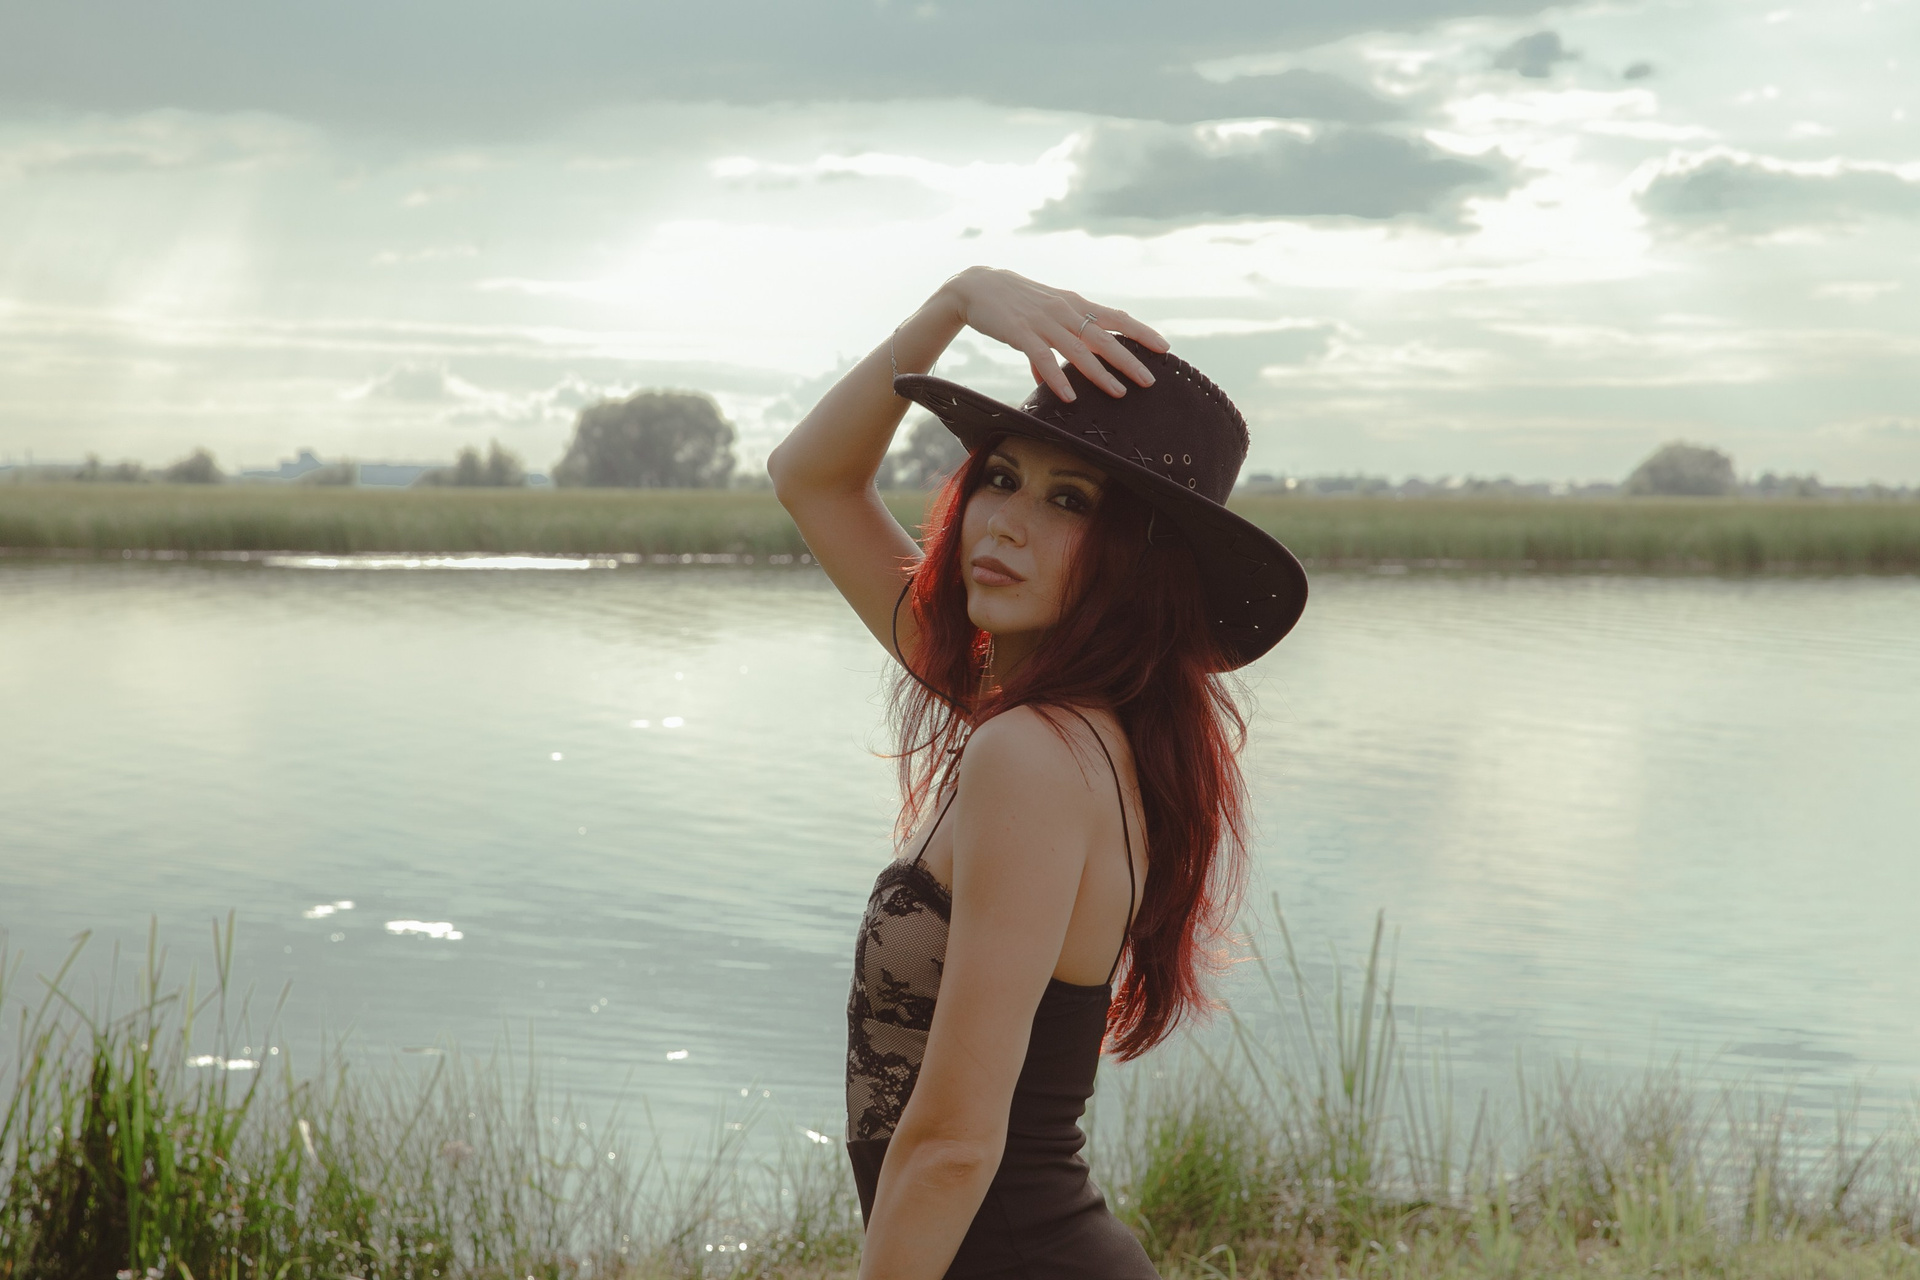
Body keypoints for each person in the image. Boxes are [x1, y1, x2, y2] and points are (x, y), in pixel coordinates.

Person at [767, 267, 1308, 1280]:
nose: (1005, 522)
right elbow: (812, 478)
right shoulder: (1052, 717)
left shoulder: (1031, 752)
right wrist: (956, 301)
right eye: (1002, 477)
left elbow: (953, 1141)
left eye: (1069, 500)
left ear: (1141, 558)